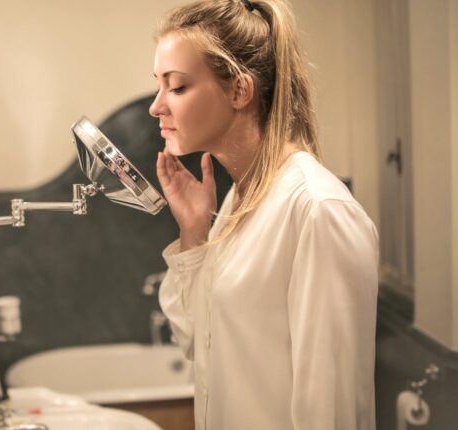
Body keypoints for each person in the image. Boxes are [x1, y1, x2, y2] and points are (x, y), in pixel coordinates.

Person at [150, 0, 378, 429]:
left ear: (239, 90)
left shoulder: (318, 211)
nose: (156, 106)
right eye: (159, 86)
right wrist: (194, 231)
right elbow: (199, 341)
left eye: (176, 87)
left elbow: (330, 409)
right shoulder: (238, 201)